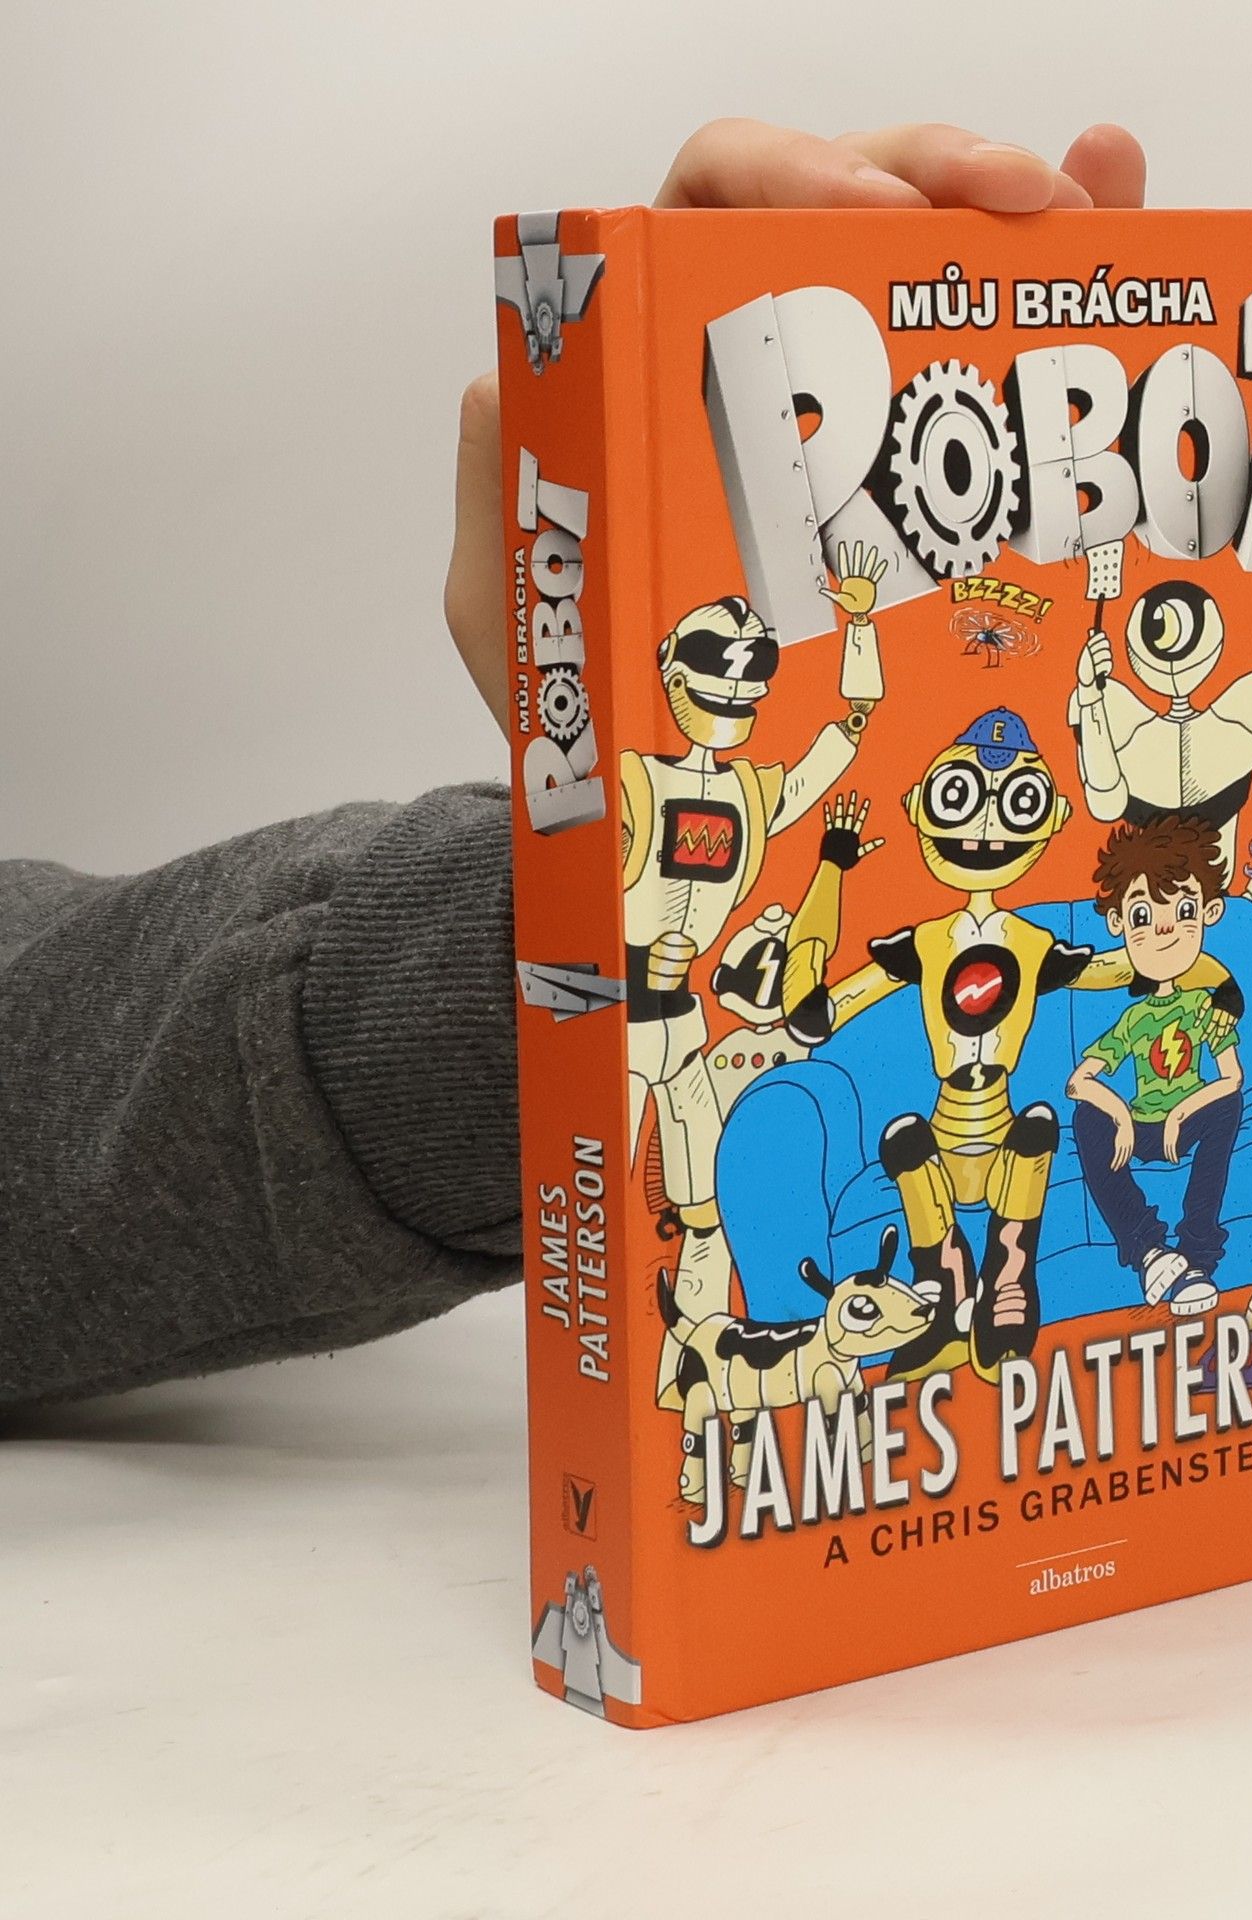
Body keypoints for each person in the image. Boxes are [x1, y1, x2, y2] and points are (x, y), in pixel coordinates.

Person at [0, 119, 1149, 1409]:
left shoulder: (743, 788)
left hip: (682, 1012)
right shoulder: (669, 797)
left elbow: (835, 748)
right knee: (698, 1190)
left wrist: (787, 617)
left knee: (707, 1180)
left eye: (742, 667)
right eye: (711, 665)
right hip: (641, 1006)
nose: (733, 682)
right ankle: (782, 1320)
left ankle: (804, 1314)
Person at [1066, 815, 1245, 1318]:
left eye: (1183, 910)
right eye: (1143, 914)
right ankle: (1150, 1251)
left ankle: (1198, 1259)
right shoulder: (1134, 1018)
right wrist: (1121, 1115)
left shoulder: (1206, 1004)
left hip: (1186, 1122)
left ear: (1209, 912)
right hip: (1142, 1128)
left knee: (1228, 1106)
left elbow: (1232, 1077)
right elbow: (1079, 1082)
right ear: (1118, 923)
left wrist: (1183, 1111)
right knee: (1087, 1119)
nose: (1165, 928)